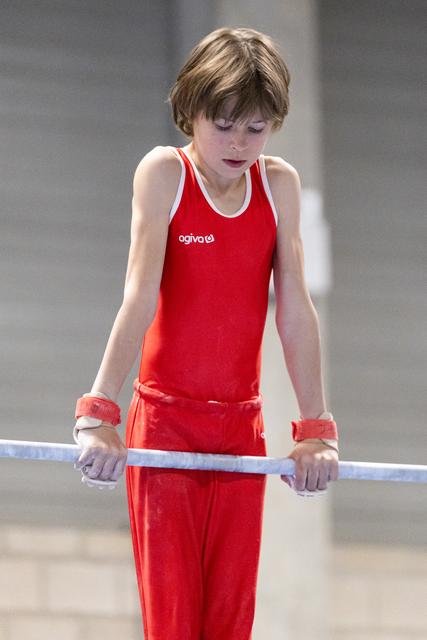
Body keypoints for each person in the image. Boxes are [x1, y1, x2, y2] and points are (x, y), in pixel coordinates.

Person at [73, 26, 339, 640]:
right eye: (224, 124)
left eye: (257, 127)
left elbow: (294, 308)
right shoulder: (165, 174)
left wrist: (316, 429)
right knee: (175, 623)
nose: (240, 143)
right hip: (166, 422)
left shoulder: (279, 186)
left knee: (228, 625)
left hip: (240, 429)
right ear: (190, 110)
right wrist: (99, 412)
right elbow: (138, 298)